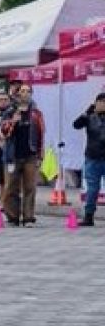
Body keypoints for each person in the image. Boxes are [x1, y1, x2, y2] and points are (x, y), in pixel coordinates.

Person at [0, 83, 46, 227]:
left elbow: (41, 133)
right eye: (22, 91)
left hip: (30, 154)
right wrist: (13, 121)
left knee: (30, 187)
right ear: (18, 94)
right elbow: (4, 131)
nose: (25, 94)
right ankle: (13, 216)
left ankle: (28, 217)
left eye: (28, 91)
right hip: (13, 154)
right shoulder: (10, 111)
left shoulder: (36, 113)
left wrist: (40, 153)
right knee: (11, 187)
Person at [73, 92, 105, 226]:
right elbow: (76, 125)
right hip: (93, 157)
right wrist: (87, 112)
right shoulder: (89, 117)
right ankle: (89, 216)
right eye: (100, 102)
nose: (103, 104)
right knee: (92, 189)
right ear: (96, 103)